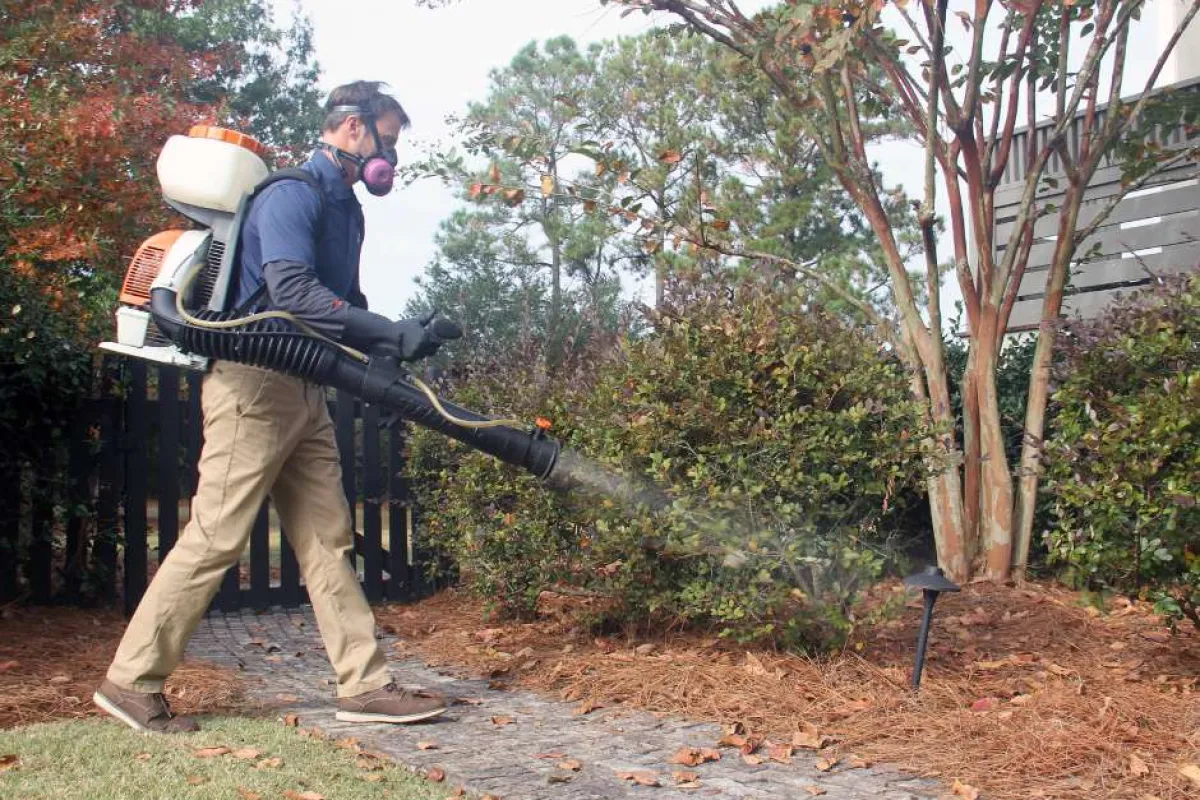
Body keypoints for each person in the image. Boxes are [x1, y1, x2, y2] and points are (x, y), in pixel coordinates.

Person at [94, 81, 456, 733]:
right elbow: (291, 292)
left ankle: (365, 684)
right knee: (218, 534)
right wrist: (383, 328)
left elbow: (343, 303)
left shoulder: (347, 212)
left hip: (304, 388)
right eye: (388, 144)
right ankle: (131, 681)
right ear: (352, 131)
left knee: (327, 538)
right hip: (254, 384)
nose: (391, 161)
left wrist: (400, 341)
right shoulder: (292, 194)